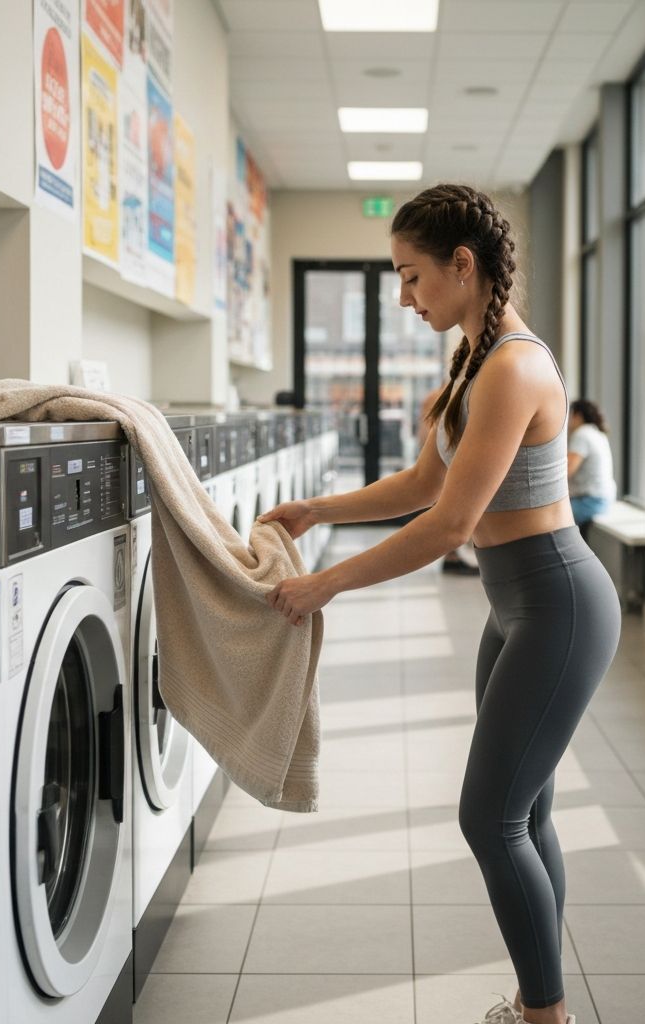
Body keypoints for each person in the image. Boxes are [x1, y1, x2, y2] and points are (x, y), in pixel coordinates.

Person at [258, 183, 621, 1024]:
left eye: (413, 276)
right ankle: (546, 1002)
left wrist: (325, 584)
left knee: (489, 819)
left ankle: (545, 1016)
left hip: (558, 602)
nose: (404, 297)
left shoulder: (516, 365)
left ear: (464, 265)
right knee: (524, 813)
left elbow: (450, 523)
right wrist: (320, 511)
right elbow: (427, 481)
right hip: (516, 605)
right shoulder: (473, 359)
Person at [418, 382, 480, 574]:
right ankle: (452, 555)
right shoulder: (452, 398)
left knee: (445, 505)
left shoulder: (432, 397)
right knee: (452, 509)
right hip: (447, 453)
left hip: (435, 452)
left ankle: (450, 556)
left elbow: (423, 431)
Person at [566, 399, 616, 529]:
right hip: (603, 499)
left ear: (577, 416)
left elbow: (567, 470)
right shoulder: (597, 433)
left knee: (548, 520)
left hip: (589, 502)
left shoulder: (582, 434)